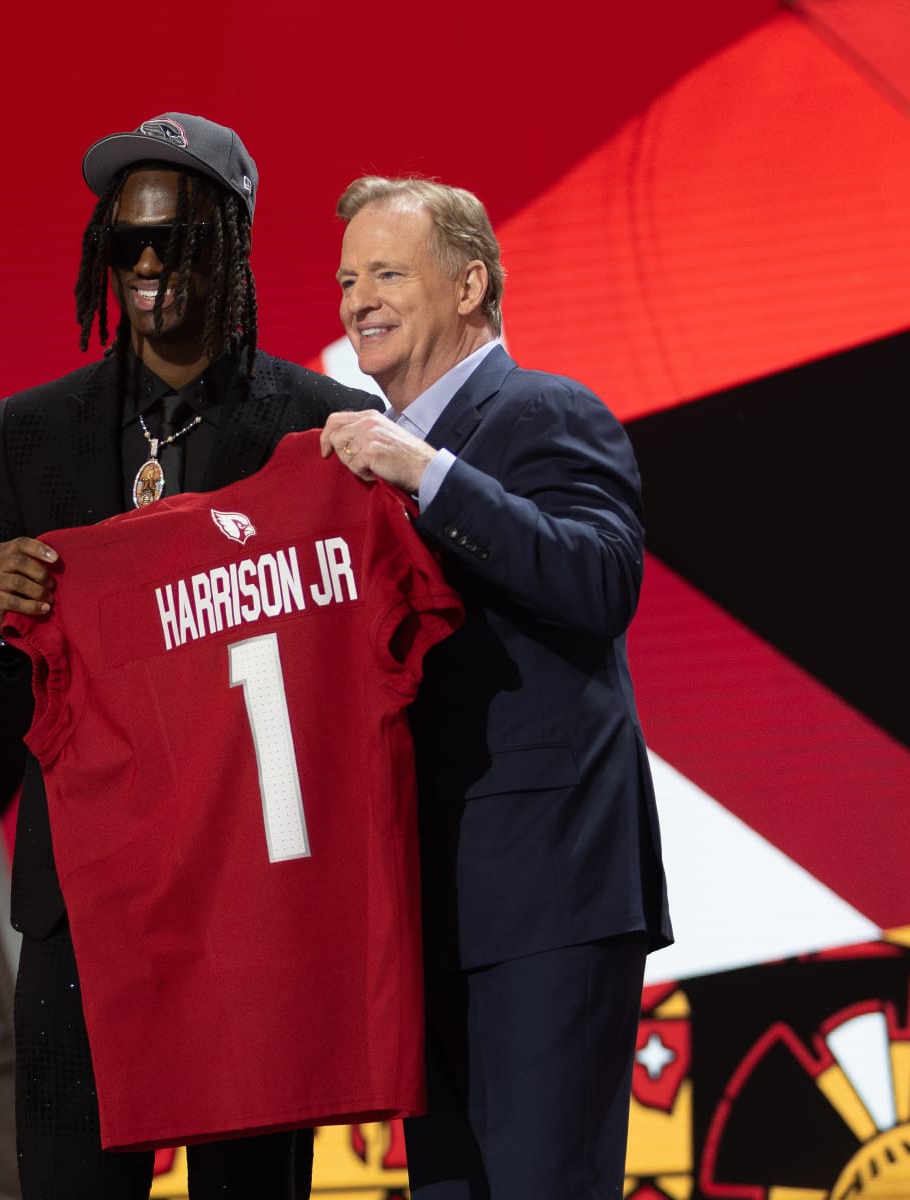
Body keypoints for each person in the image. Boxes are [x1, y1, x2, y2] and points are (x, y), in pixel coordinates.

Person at [0, 111, 376, 1200]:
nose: (144, 266)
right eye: (125, 243)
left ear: (228, 247)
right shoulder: (34, 429)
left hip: (253, 914)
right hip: (84, 908)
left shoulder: (320, 430)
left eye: (172, 241)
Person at [319, 176, 673, 1200]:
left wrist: (428, 475)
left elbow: (600, 581)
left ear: (470, 282)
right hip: (422, 904)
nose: (357, 301)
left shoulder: (546, 411)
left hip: (549, 899)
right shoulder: (351, 468)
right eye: (347, 279)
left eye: (387, 272)